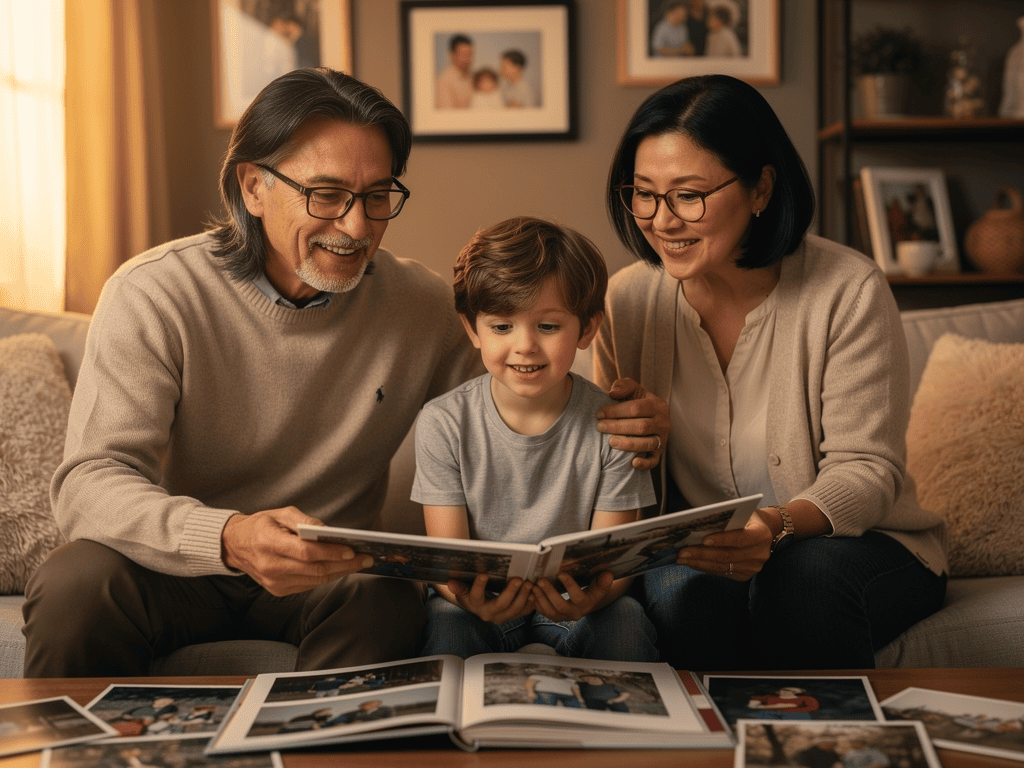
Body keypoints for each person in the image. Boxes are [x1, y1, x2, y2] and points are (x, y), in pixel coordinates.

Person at [20, 68, 488, 677]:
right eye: (326, 195)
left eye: (377, 197)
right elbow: (89, 482)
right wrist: (228, 537)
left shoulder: (421, 305)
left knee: (383, 593)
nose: (357, 227)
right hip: (175, 566)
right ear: (253, 187)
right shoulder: (154, 292)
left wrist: (608, 418)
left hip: (329, 574)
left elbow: (505, 421)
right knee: (75, 580)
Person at [599, 74, 948, 670]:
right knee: (685, 595)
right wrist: (631, 441)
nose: (662, 221)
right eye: (645, 193)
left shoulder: (847, 289)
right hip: (710, 550)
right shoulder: (626, 301)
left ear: (761, 187)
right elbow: (601, 469)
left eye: (688, 194)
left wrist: (777, 525)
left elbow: (869, 469)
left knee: (800, 577)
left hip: (860, 545)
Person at [412, 217, 659, 661]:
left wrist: (593, 599)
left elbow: (614, 566)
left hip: (579, 601)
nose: (525, 346)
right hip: (480, 604)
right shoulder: (443, 422)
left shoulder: (613, 424)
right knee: (448, 625)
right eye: (502, 327)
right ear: (472, 329)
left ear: (586, 329)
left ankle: (631, 728)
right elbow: (448, 564)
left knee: (625, 619)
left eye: (548, 327)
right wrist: (466, 599)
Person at [436, 33, 474, 109]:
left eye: (469, 54)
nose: (467, 59)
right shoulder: (444, 80)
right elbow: (447, 113)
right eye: (463, 54)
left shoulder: (473, 76)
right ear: (452, 55)